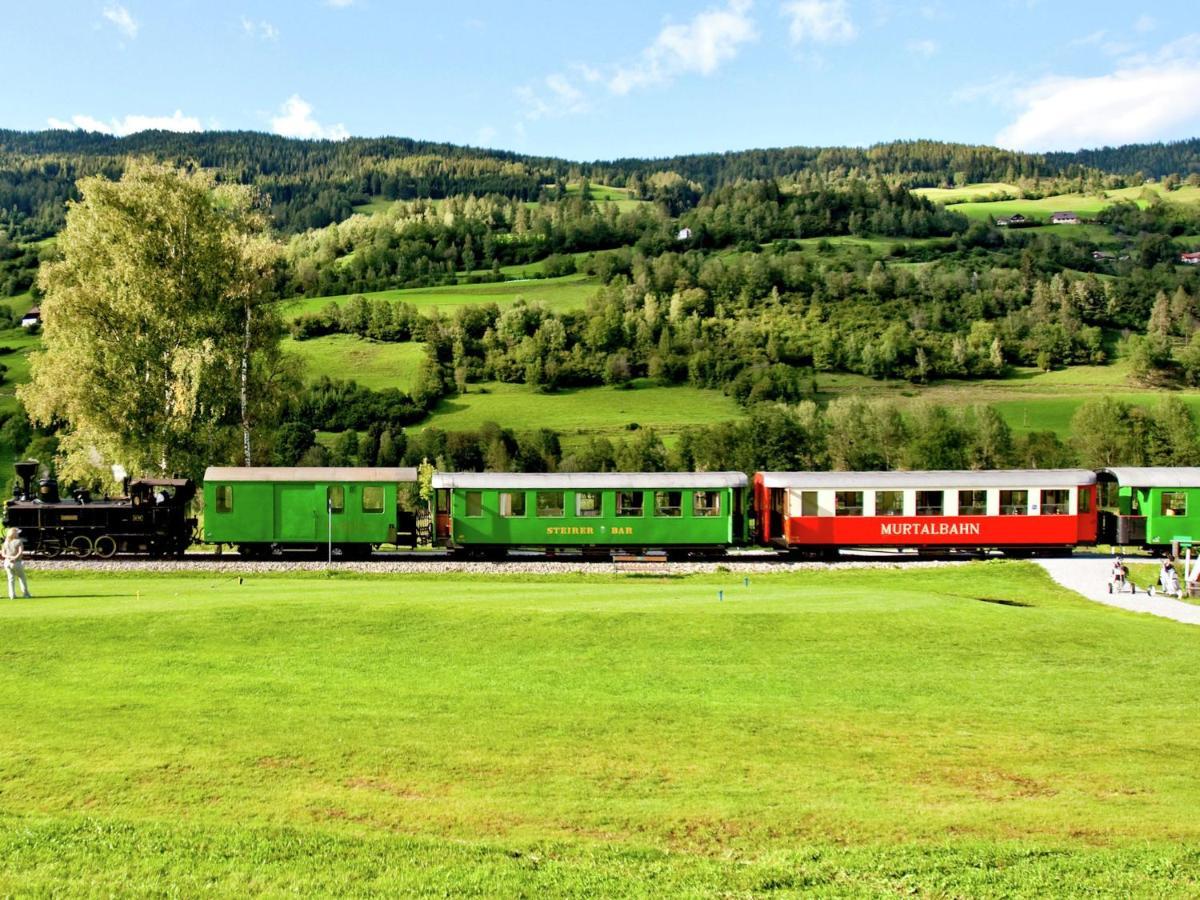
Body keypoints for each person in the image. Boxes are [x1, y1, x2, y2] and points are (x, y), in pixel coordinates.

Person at [3, 527, 32, 600]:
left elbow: (3, 554)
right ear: (15, 534)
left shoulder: (6, 542)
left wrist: (9, 557)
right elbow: (20, 552)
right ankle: (26, 594)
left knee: (11, 579)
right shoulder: (19, 541)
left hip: (7, 562)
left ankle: (12, 595)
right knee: (22, 577)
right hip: (16, 562)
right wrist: (14, 558)